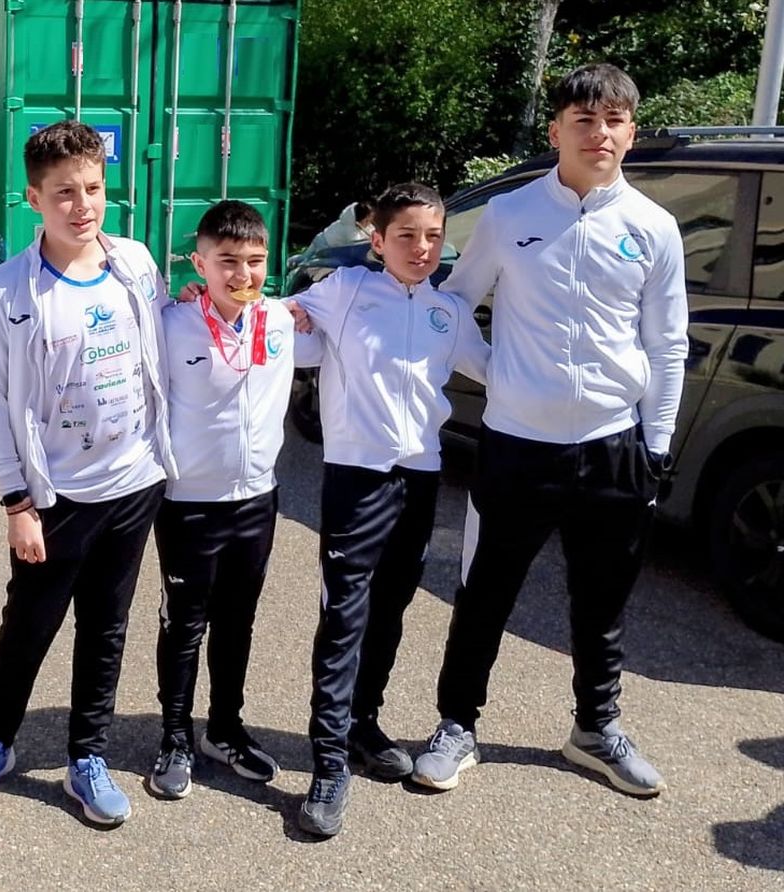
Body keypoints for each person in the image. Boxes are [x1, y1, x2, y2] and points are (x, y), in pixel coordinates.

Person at [413, 63, 688, 799]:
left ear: (631, 132)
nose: (600, 134)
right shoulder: (509, 214)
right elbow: (452, 305)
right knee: (485, 593)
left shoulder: (653, 227)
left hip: (615, 447)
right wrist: (499, 373)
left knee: (602, 602)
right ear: (556, 129)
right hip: (516, 445)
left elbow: (667, 345)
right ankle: (456, 725)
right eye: (584, 120)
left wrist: (656, 444)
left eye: (614, 121)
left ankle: (595, 731)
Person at [0, 120, 177, 827]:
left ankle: (87, 757)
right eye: (65, 193)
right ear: (34, 199)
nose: (83, 206)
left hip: (134, 483)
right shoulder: (4, 293)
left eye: (94, 189)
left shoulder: (135, 264)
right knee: (30, 623)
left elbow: (169, 346)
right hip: (55, 497)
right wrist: (17, 502)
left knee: (107, 626)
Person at [286, 182, 490, 837]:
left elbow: (498, 372)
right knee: (344, 618)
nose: (421, 248)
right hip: (356, 478)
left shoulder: (446, 311)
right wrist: (202, 303)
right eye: (406, 235)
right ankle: (327, 763)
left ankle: (362, 724)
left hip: (419, 480)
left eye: (433, 236)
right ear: (377, 240)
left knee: (391, 611)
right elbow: (268, 321)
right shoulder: (345, 291)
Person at [143, 199, 296, 801]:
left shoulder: (282, 319)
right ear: (199, 263)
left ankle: (225, 729)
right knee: (185, 624)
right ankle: (174, 736)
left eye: (255, 260)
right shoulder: (170, 323)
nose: (243, 274)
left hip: (257, 498)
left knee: (238, 621)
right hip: (190, 501)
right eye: (227, 261)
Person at [305, 197, 374, 255]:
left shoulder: (355, 223)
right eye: (366, 221)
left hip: (323, 240)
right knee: (309, 260)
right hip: (324, 245)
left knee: (306, 258)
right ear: (358, 219)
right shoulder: (349, 227)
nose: (368, 223)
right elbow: (356, 243)